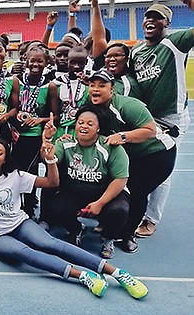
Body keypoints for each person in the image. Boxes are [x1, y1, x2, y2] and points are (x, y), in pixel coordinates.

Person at [0, 132, 148, 299]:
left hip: (20, 224)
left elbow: (52, 182)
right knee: (24, 253)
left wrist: (50, 160)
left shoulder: (16, 176)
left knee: (50, 243)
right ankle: (83, 277)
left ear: (5, 159)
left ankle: (116, 273)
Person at [86, 69, 176, 253]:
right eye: (92, 85)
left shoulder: (128, 105)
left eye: (102, 85)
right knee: (114, 185)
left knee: (137, 191)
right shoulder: (92, 105)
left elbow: (150, 130)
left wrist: (123, 136)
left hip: (157, 154)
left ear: (112, 90)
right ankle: (112, 223)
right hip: (133, 155)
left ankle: (128, 234)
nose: (95, 89)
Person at [130, 3, 193, 238]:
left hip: (171, 117)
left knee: (160, 166)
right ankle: (135, 208)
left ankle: (151, 218)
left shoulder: (174, 44)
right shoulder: (136, 51)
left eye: (157, 18)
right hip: (146, 118)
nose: (150, 21)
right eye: (147, 16)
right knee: (140, 164)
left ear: (167, 23)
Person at [45, 106, 130, 259]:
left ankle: (108, 237)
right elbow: (50, 158)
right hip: (77, 191)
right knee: (56, 208)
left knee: (119, 210)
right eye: (80, 122)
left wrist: (100, 203)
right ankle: (76, 228)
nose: (83, 126)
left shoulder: (110, 146)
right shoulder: (66, 142)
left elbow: (120, 179)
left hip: (106, 192)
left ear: (98, 128)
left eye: (90, 124)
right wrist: (47, 140)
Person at [9, 46, 53, 218]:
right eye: (32, 60)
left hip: (34, 137)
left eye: (40, 61)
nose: (35, 64)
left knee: (30, 172)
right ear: (26, 61)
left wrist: (39, 120)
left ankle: (29, 208)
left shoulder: (50, 86)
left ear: (46, 63)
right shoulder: (16, 81)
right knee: (15, 170)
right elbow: (13, 108)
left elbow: (54, 116)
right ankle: (16, 205)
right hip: (16, 134)